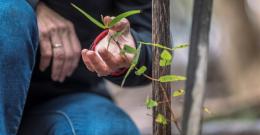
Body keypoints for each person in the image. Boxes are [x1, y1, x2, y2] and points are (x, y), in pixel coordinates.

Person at [0, 0, 152, 135]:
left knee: (109, 128)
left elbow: (152, 42)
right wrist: (34, 6)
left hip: (65, 95)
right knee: (10, 14)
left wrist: (131, 49)